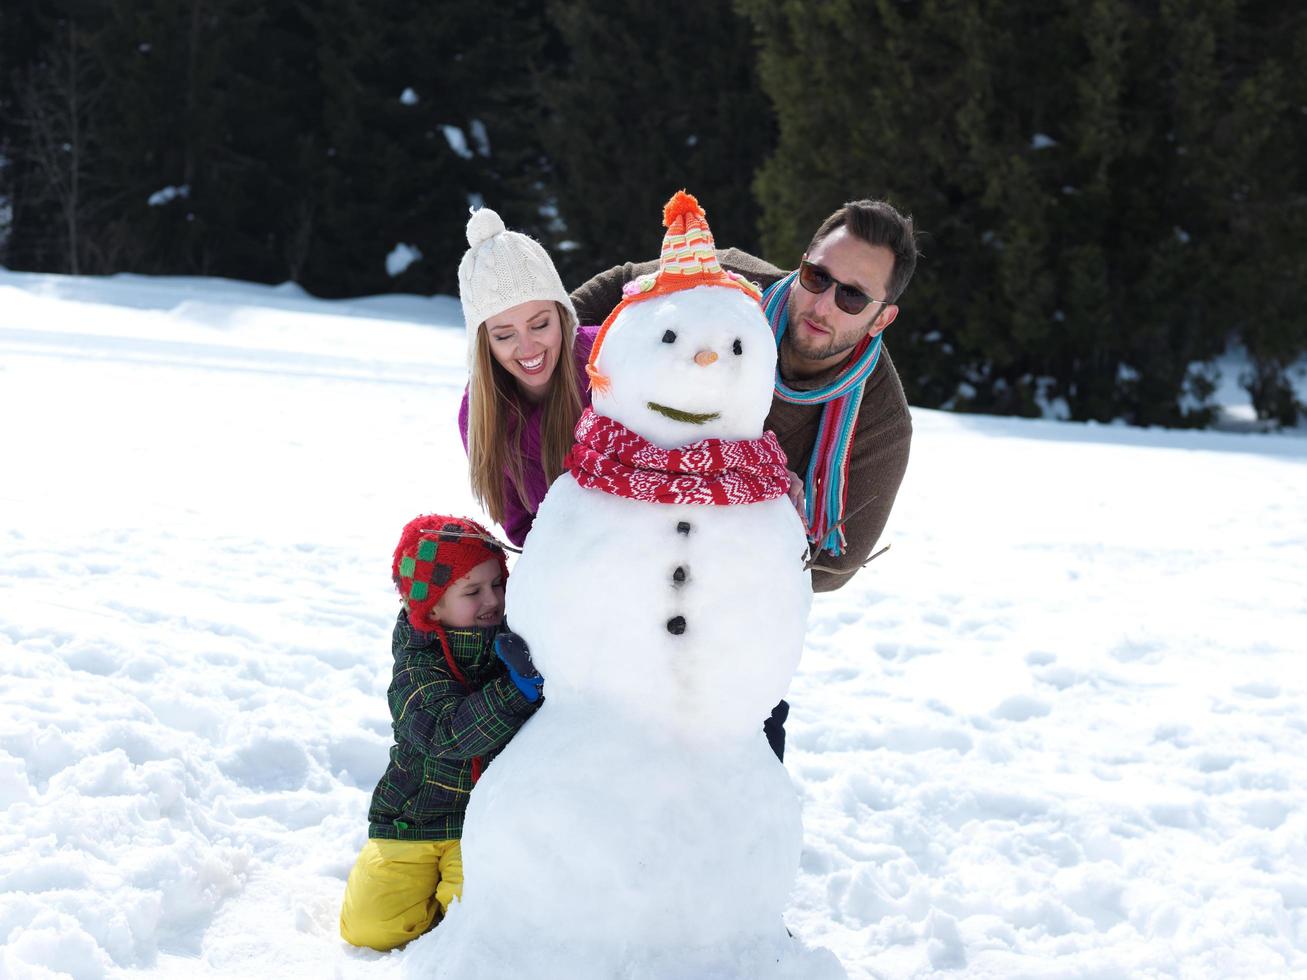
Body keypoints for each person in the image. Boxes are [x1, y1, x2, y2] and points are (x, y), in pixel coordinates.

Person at [571, 197, 920, 759]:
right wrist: (543, 343)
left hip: (725, 625)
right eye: (817, 276)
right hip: (610, 568)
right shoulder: (728, 289)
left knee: (726, 795)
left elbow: (834, 565)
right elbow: (623, 286)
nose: (823, 302)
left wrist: (773, 514)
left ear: (883, 317)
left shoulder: (879, 423)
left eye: (852, 296)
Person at [339, 515, 542, 951]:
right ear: (432, 608)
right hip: (415, 816)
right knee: (371, 930)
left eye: (498, 584)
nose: (492, 600)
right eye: (473, 592)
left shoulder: (521, 633)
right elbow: (444, 733)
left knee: (475, 920)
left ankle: (446, 912)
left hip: (484, 821)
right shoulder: (416, 663)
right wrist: (516, 690)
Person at [457, 207, 599, 547]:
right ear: (484, 343)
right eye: (504, 335)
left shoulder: (607, 361)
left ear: (562, 315)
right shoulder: (480, 414)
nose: (527, 347)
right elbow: (522, 528)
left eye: (540, 324)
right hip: (568, 565)